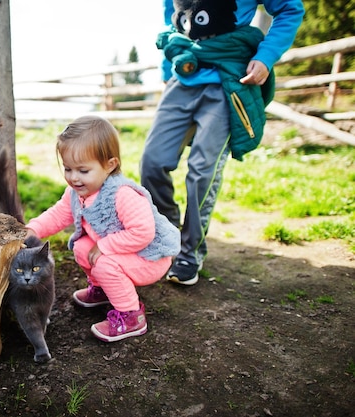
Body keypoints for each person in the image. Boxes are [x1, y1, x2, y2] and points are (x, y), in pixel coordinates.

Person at [140, 0, 305, 286]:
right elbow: (172, 15)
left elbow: (290, 8)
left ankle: (190, 253)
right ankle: (168, 237)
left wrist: (266, 56)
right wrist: (168, 70)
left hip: (227, 79)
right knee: (152, 162)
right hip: (183, 77)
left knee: (203, 170)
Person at [24, 115, 180, 342]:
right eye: (68, 169)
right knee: (81, 246)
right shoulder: (77, 193)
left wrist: (105, 245)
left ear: (110, 165)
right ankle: (104, 289)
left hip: (149, 256)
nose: (74, 178)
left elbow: (142, 232)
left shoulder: (123, 194)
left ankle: (131, 316)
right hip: (124, 250)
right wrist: (34, 229)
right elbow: (59, 214)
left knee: (104, 262)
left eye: (83, 171)